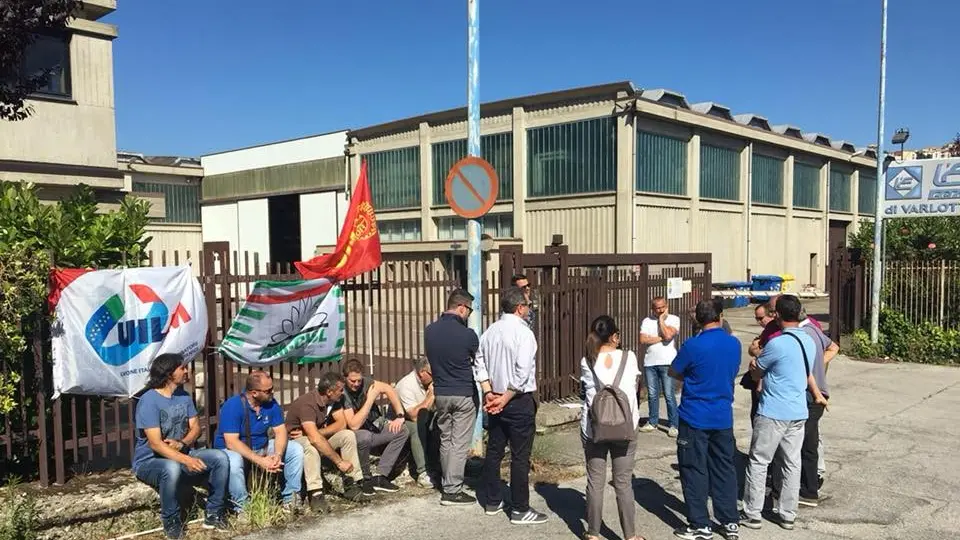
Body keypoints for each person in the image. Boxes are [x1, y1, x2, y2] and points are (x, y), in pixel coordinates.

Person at [741, 295, 826, 531]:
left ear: (777, 315)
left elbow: (758, 371)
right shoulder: (808, 340)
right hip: (798, 410)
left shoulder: (777, 343)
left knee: (759, 461)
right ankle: (788, 513)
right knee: (791, 462)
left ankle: (752, 512)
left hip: (773, 410)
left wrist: (756, 370)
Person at [133, 354, 229, 539]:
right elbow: (156, 444)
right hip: (150, 461)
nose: (187, 371)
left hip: (181, 453)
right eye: (182, 368)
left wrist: (182, 443)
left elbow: (196, 428)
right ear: (169, 373)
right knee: (170, 467)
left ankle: (214, 513)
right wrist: (187, 460)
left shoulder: (183, 396)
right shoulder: (148, 401)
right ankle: (172, 523)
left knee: (219, 458)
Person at [475, 286, 549, 525]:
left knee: (495, 450)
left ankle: (493, 499)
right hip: (516, 399)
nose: (529, 310)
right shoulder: (524, 333)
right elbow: (522, 371)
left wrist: (489, 392)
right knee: (519, 455)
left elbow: (479, 363)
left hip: (496, 396)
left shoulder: (490, 331)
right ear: (520, 308)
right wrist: (504, 397)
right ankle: (520, 508)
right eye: (527, 306)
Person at [669, 301, 742, 540]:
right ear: (720, 316)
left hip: (695, 415)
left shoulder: (693, 345)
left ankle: (700, 523)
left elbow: (674, 371)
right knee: (724, 468)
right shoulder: (733, 343)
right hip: (722, 414)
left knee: (694, 469)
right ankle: (729, 519)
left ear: (698, 320)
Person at [579, 316, 644, 540]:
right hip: (625, 426)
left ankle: (593, 533)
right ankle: (630, 535)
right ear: (615, 336)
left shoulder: (587, 361)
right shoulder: (630, 357)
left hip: (594, 428)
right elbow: (635, 388)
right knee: (623, 482)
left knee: (595, 481)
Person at [213, 370, 304, 513]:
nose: (272, 392)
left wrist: (277, 454)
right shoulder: (233, 405)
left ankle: (290, 499)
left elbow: (280, 431)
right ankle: (243, 508)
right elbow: (231, 442)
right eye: (268, 391)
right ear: (254, 393)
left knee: (295, 449)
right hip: (233, 450)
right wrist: (261, 461)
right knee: (235, 461)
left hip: (261, 446)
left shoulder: (270, 403)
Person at [424, 288, 480, 506]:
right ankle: (452, 489)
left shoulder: (430, 331)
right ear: (461, 307)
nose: (469, 315)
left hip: (441, 393)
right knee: (458, 443)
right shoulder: (468, 335)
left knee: (446, 439)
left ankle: (447, 482)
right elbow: (479, 361)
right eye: (469, 310)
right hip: (463, 393)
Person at [284, 371, 366, 510]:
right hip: (295, 442)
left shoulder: (334, 401)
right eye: (340, 390)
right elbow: (314, 439)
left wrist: (318, 432)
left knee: (347, 435)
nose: (342, 393)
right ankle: (315, 493)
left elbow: (341, 424)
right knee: (312, 445)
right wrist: (339, 462)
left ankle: (351, 483)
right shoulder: (307, 403)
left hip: (313, 435)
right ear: (329, 392)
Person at [340, 358, 409, 494]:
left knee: (402, 430)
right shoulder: (343, 393)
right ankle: (365, 478)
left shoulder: (366, 383)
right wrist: (370, 398)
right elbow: (354, 425)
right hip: (354, 434)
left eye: (359, 380)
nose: (357, 384)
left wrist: (400, 416)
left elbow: (389, 389)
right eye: (352, 381)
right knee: (363, 436)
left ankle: (381, 476)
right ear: (345, 378)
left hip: (372, 426)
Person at [639, 296, 681, 437]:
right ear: (652, 308)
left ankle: (674, 424)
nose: (660, 310)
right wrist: (660, 338)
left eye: (662, 307)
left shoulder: (674, 319)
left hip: (667, 362)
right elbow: (643, 339)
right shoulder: (646, 321)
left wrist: (661, 321)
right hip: (650, 362)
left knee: (669, 394)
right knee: (652, 394)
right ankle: (652, 421)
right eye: (657, 308)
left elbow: (668, 335)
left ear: (666, 306)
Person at [395, 356, 438, 488]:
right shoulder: (406, 385)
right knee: (416, 427)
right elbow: (414, 416)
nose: (436, 376)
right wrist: (431, 396)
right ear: (422, 373)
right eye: (433, 374)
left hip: (425, 417)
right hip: (402, 422)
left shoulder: (430, 382)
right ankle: (423, 471)